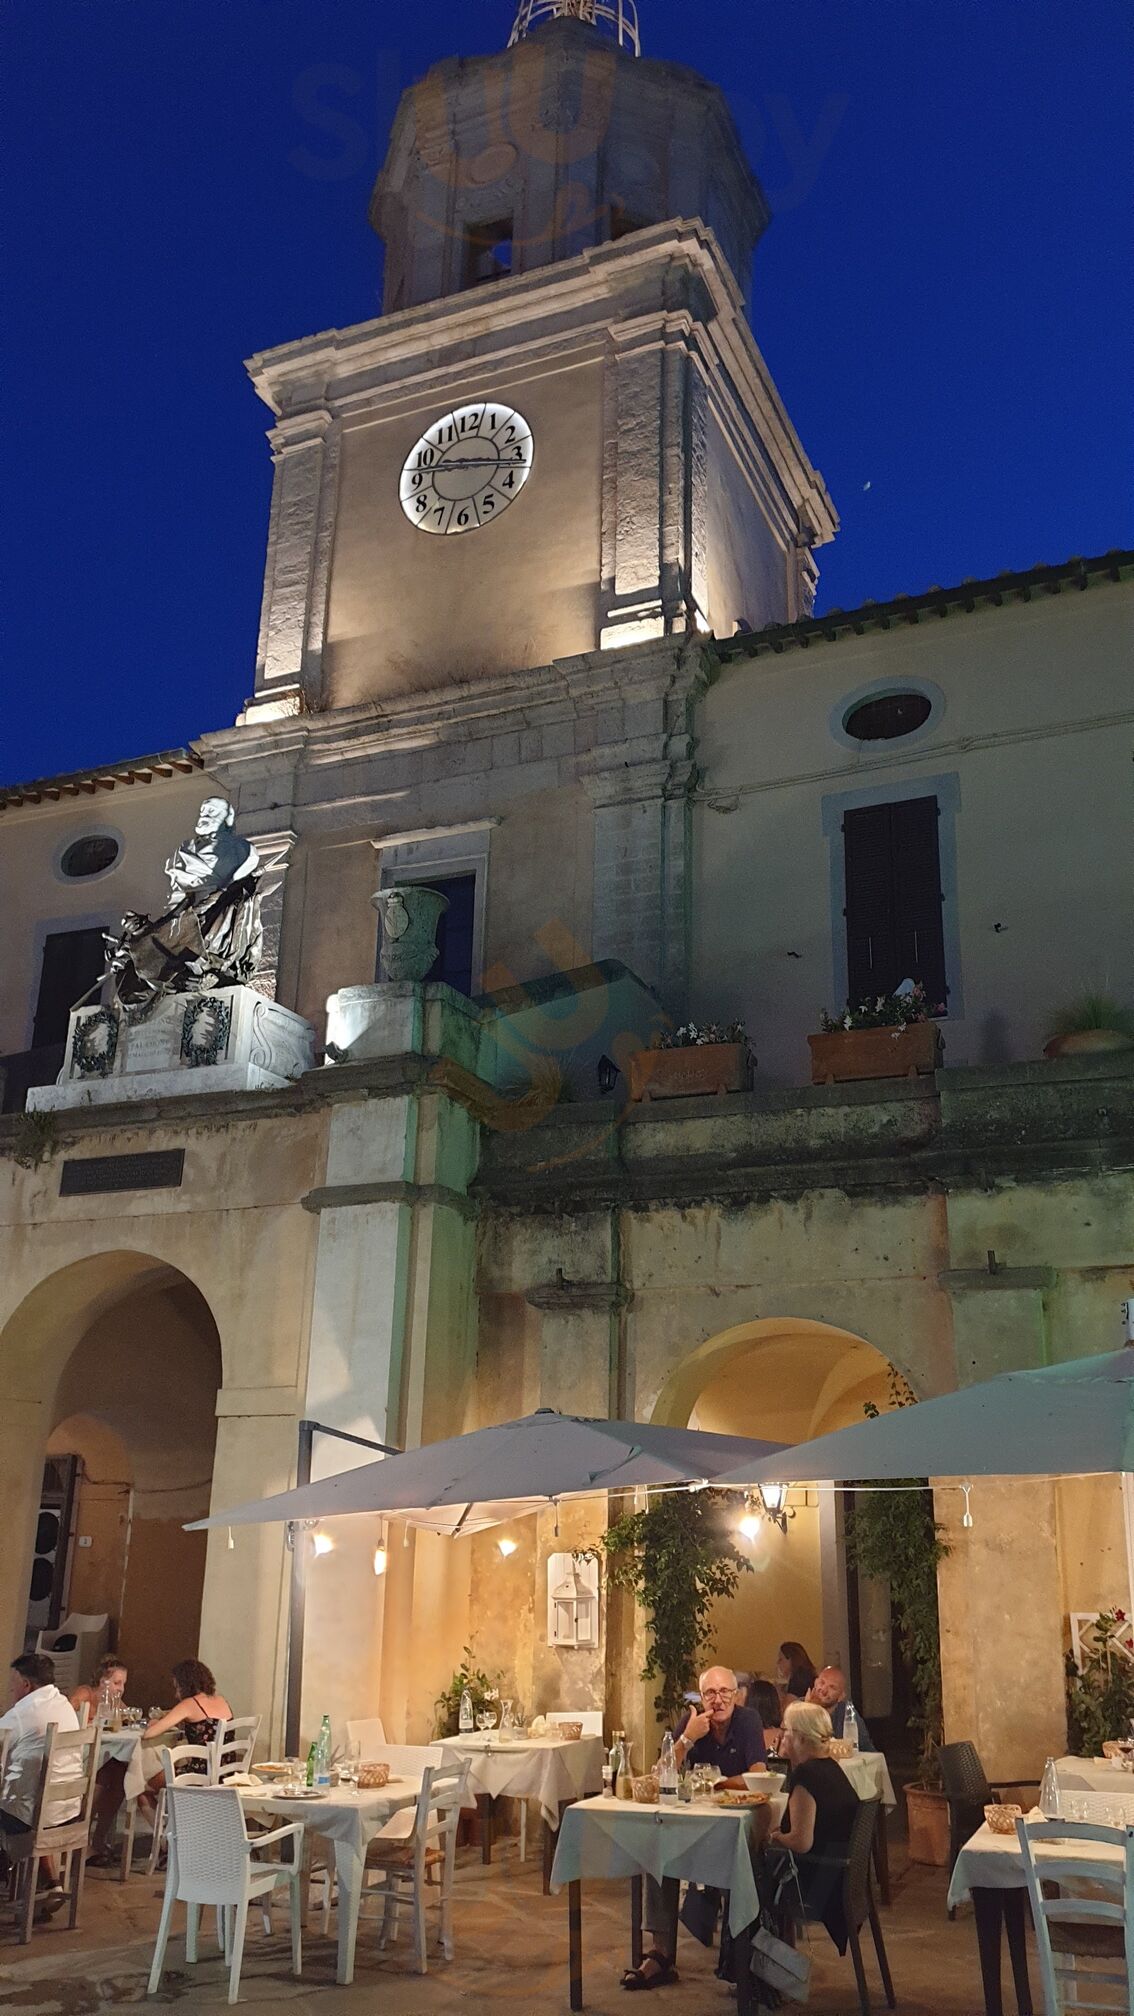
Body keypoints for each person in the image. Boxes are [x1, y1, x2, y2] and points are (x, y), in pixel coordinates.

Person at [621, 1666, 767, 1990]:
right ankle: (660, 1955)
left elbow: (758, 1776)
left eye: (725, 1692)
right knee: (657, 1851)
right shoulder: (692, 1723)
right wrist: (688, 1739)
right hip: (694, 1823)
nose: (718, 1700)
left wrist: (714, 1784)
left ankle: (741, 1959)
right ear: (701, 1698)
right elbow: (660, 1773)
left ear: (736, 1694)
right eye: (710, 1694)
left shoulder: (748, 1721)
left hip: (734, 1827)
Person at [772, 1700, 862, 1952]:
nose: (782, 1735)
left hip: (821, 1885)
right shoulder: (832, 1768)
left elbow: (801, 1842)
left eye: (785, 1730)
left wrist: (776, 1837)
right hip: (844, 1879)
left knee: (746, 1881)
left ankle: (760, 1973)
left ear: (800, 1737)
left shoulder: (806, 1776)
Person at [0, 1653, 82, 1916]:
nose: (11, 1689)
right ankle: (51, 1882)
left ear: (26, 1684)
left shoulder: (22, 1713)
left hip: (34, 1815)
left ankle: (10, 1875)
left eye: (13, 1683)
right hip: (67, 1810)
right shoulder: (64, 1704)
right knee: (26, 1796)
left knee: (15, 1802)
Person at [141, 1659, 233, 1809]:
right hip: (227, 1771)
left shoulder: (189, 1704)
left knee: (141, 1788)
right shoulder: (221, 1700)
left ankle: (167, 1829)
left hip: (200, 1773)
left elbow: (149, 1734)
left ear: (184, 1685)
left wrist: (155, 1723)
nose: (176, 1693)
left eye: (176, 1687)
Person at [70, 1655, 130, 1865]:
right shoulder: (85, 1694)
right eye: (116, 1683)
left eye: (123, 1683)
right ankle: (83, 1839)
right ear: (102, 1681)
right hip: (80, 1754)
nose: (120, 1688)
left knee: (120, 1773)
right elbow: (68, 1719)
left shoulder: (114, 1701)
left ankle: (98, 1838)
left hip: (102, 1754)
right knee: (106, 1773)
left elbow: (127, 1719)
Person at [807, 1664, 877, 1751]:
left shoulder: (848, 1712)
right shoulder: (797, 1708)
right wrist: (808, 1709)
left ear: (841, 1696)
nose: (824, 1690)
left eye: (832, 1687)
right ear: (815, 1682)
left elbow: (867, 1748)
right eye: (822, 1682)